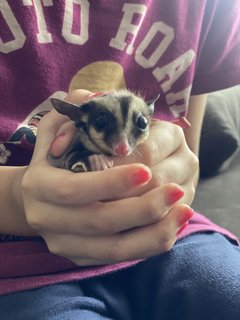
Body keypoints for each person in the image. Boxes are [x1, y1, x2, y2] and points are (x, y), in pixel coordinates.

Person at [0, 1, 240, 319]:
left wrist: (172, 176)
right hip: (15, 259)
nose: (123, 147)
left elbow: (187, 162)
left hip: (165, 235)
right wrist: (18, 198)